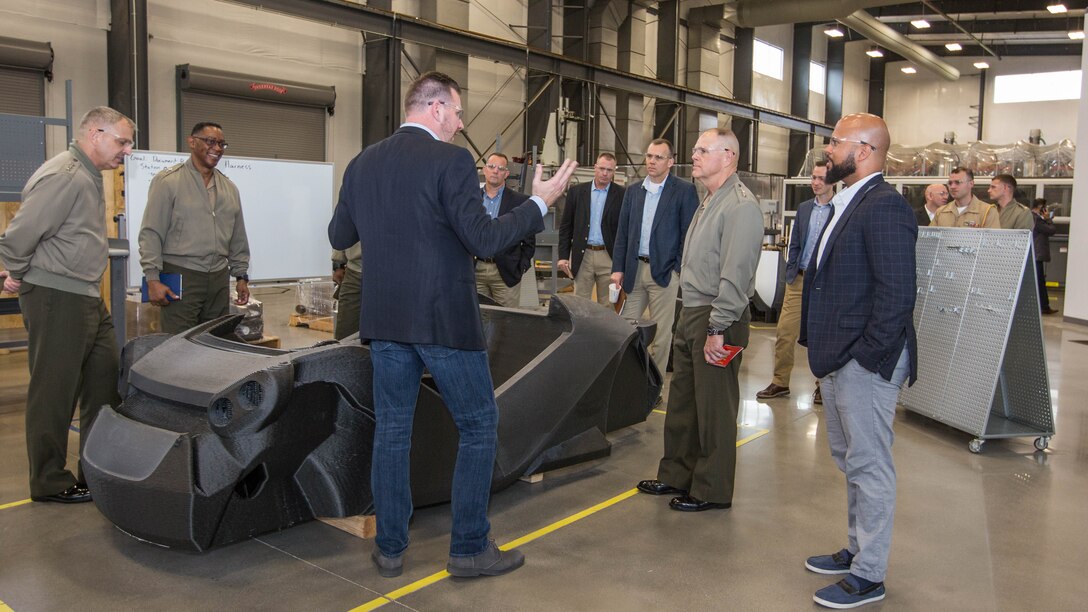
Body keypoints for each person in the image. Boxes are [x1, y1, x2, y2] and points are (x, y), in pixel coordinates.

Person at [327, 71, 577, 579]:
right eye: (458, 113)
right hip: (443, 319)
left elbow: (339, 232)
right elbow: (484, 240)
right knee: (479, 424)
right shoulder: (452, 161)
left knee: (393, 430)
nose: (461, 124)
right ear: (436, 108)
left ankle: (391, 549)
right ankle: (468, 547)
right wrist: (538, 203)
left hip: (386, 320)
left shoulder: (362, 162)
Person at [799, 113, 918, 609]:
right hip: (839, 358)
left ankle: (869, 574)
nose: (828, 150)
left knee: (870, 465)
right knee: (850, 461)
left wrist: (867, 359)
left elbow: (897, 295)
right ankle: (856, 549)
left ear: (865, 150)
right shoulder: (847, 202)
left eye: (835, 142)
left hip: (864, 362)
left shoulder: (884, 207)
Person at [0, 106, 133, 504]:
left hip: (86, 294)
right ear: (95, 134)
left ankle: (95, 470)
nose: (126, 150)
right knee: (54, 392)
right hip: (58, 295)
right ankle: (49, 481)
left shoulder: (90, 176)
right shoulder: (66, 175)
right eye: (121, 141)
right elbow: (21, 232)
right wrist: (14, 271)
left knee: (104, 382)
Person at [636, 128, 762, 512]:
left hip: (717, 315)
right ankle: (676, 474)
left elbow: (735, 277)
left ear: (728, 156)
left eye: (703, 151)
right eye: (695, 150)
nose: (695, 156)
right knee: (684, 404)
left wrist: (717, 327)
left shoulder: (740, 206)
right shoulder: (709, 201)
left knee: (714, 410)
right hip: (691, 310)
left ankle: (711, 489)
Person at [139, 122, 251, 333]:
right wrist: (152, 278)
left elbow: (238, 237)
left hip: (218, 277)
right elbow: (151, 233)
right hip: (182, 275)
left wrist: (241, 276)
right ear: (192, 142)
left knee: (216, 342)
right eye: (210, 141)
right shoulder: (168, 182)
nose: (217, 148)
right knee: (178, 345)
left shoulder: (230, 189)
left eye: (221, 144)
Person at [611, 139, 699, 376]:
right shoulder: (633, 192)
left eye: (658, 157)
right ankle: (629, 381)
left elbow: (689, 233)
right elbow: (623, 233)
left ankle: (655, 385)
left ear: (670, 162)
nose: (651, 161)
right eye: (649, 156)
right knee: (626, 330)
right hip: (634, 271)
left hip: (664, 273)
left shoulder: (684, 191)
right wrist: (618, 268)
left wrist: (676, 270)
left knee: (660, 335)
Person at [756, 161, 834, 402]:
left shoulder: (840, 209)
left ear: (832, 182)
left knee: (823, 336)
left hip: (825, 283)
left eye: (821, 178)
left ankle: (823, 385)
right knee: (784, 332)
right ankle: (780, 382)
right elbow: (796, 242)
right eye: (813, 177)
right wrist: (791, 270)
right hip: (798, 280)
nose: (816, 182)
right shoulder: (804, 208)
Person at [557, 152, 625, 305]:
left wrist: (621, 263)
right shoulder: (577, 192)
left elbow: (625, 231)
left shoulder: (622, 194)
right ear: (595, 167)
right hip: (583, 255)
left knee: (608, 305)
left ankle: (605, 330)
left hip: (609, 256)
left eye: (609, 170)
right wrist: (563, 255)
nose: (605, 173)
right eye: (602, 168)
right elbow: (566, 226)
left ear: (614, 171)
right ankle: (582, 330)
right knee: (580, 304)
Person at [474, 153, 536, 308]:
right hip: (475, 270)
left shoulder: (520, 201)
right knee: (477, 320)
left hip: (506, 273)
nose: (495, 171)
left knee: (506, 323)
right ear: (484, 170)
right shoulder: (471, 199)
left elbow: (529, 240)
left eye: (500, 168)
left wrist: (520, 266)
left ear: (506, 174)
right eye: (491, 167)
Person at [931, 167, 999, 228]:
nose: (952, 187)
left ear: (971, 184)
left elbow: (993, 240)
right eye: (950, 183)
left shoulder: (987, 211)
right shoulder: (941, 212)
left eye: (957, 182)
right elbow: (930, 238)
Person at [1031, 199, 1058, 315]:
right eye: (1045, 208)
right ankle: (1044, 306)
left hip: (1035, 254)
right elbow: (1051, 230)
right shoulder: (1037, 219)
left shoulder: (1032, 217)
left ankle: (1043, 306)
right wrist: (1048, 219)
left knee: (1039, 281)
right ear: (1041, 207)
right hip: (1037, 254)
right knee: (1039, 282)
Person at [331, 242, 362, 339]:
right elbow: (343, 229)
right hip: (357, 270)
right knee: (347, 332)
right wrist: (338, 264)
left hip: (397, 269)